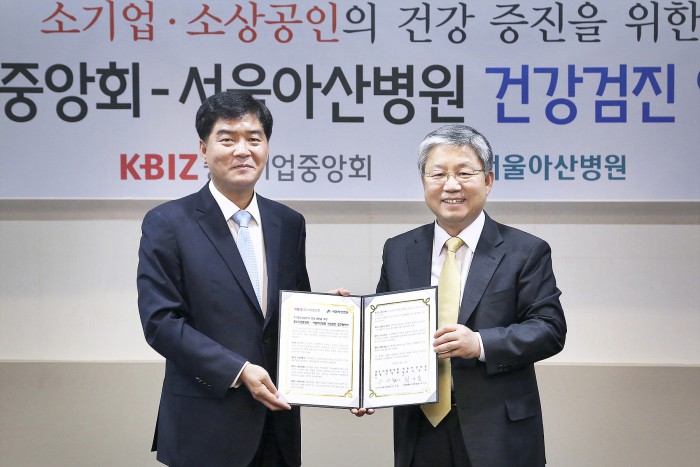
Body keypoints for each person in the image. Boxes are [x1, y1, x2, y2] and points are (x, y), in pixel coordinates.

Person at [373, 124, 567, 467]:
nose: (451, 185)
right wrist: (361, 380)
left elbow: (549, 329)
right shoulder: (398, 250)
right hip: (420, 428)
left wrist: (479, 343)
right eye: (438, 174)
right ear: (424, 182)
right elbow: (381, 331)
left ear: (488, 180)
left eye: (464, 173)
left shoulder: (525, 251)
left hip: (498, 430)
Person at [137, 90, 311, 467]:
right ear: (204, 150)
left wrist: (326, 315)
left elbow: (288, 312)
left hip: (277, 425)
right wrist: (238, 370)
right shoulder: (168, 223)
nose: (243, 150)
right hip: (205, 425)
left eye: (254, 139)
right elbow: (161, 322)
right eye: (228, 139)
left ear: (267, 146)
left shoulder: (288, 223)